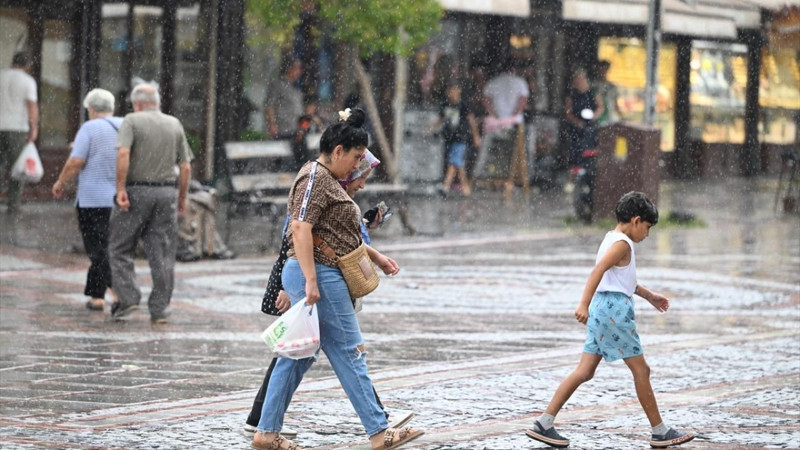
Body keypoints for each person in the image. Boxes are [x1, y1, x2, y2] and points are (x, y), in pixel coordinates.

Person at [251, 108, 423, 450]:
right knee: (349, 350)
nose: (359, 165)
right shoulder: (313, 177)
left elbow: (337, 231)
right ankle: (379, 432)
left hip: (320, 272)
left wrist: (374, 256)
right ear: (338, 151)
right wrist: (311, 282)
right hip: (318, 273)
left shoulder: (328, 180)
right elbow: (300, 229)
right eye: (357, 157)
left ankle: (266, 433)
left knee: (300, 354)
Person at [525, 191, 695, 449]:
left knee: (585, 371)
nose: (647, 235)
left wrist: (650, 296)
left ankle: (544, 423)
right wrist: (582, 302)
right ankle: (660, 432)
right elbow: (598, 271)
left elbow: (623, 281)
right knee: (641, 370)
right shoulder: (622, 244)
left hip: (603, 308)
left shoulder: (611, 238)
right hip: (615, 312)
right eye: (647, 228)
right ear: (636, 220)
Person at [108, 83, 193, 323]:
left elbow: (123, 153)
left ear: (136, 103)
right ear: (156, 101)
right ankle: (160, 309)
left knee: (120, 246)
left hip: (136, 191)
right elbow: (185, 166)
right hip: (166, 193)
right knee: (163, 253)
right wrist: (182, 197)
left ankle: (128, 298)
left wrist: (121, 188)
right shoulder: (173, 123)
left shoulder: (132, 121)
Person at [52, 89, 122, 311]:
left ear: (91, 109)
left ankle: (119, 292)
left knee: (97, 248)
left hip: (93, 198)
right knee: (107, 246)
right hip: (119, 198)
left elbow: (76, 162)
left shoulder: (89, 128)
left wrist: (60, 182)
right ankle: (96, 296)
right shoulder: (125, 126)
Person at [475, 60, 529, 198]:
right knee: (513, 154)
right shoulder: (520, 82)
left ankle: (490, 179)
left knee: (494, 153)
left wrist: (494, 114)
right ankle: (510, 181)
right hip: (514, 124)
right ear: (513, 70)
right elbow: (523, 101)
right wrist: (512, 116)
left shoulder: (493, 82)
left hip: (495, 124)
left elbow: (485, 99)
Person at [425, 83, 481, 196]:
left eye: (454, 90)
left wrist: (476, 136)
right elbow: (442, 119)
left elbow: (472, 121)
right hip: (449, 138)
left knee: (453, 162)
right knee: (457, 163)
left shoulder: (463, 106)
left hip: (461, 138)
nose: (451, 94)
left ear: (458, 91)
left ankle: (446, 186)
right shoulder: (446, 105)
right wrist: (431, 127)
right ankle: (465, 188)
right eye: (450, 91)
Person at [0, 52, 39, 214]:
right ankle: (13, 204)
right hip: (17, 128)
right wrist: (34, 128)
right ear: (27, 66)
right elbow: (31, 106)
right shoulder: (27, 81)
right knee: (18, 167)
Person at [264, 57, 303, 140]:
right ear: (289, 68)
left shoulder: (295, 88)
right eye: (297, 68)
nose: (299, 72)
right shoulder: (277, 84)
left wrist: (300, 128)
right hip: (282, 129)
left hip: (295, 130)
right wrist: (272, 124)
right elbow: (269, 105)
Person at [594, 60, 622, 127]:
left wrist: (621, 117)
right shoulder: (593, 86)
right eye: (601, 69)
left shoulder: (612, 87)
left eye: (605, 69)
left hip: (609, 120)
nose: (603, 71)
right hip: (597, 119)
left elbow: (616, 105)